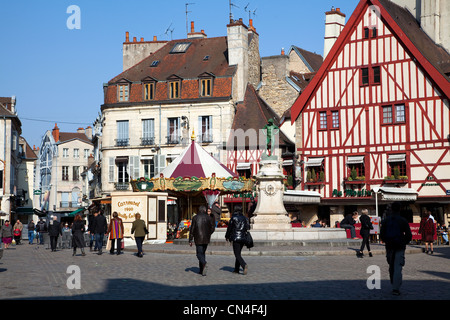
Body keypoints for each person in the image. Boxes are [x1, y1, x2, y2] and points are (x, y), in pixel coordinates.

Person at [380, 202, 412, 296]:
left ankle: (393, 282)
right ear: (400, 209)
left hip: (389, 245)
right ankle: (396, 287)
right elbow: (409, 234)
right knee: (398, 266)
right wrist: (404, 242)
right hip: (399, 245)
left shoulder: (386, 220)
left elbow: (382, 233)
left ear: (391, 209)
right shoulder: (403, 220)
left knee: (391, 265)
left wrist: (386, 241)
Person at [189, 205, 215, 276]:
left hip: (198, 238)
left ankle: (204, 263)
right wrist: (209, 234)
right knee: (202, 253)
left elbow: (192, 229)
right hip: (206, 238)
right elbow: (212, 228)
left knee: (199, 254)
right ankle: (201, 270)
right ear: (205, 210)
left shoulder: (195, 218)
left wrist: (190, 239)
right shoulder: (208, 218)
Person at [225, 206, 250, 275]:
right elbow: (248, 227)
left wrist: (227, 236)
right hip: (243, 237)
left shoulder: (233, 218)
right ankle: (236, 269)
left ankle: (244, 264)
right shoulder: (245, 218)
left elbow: (229, 228)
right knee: (238, 253)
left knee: (237, 254)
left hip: (235, 237)